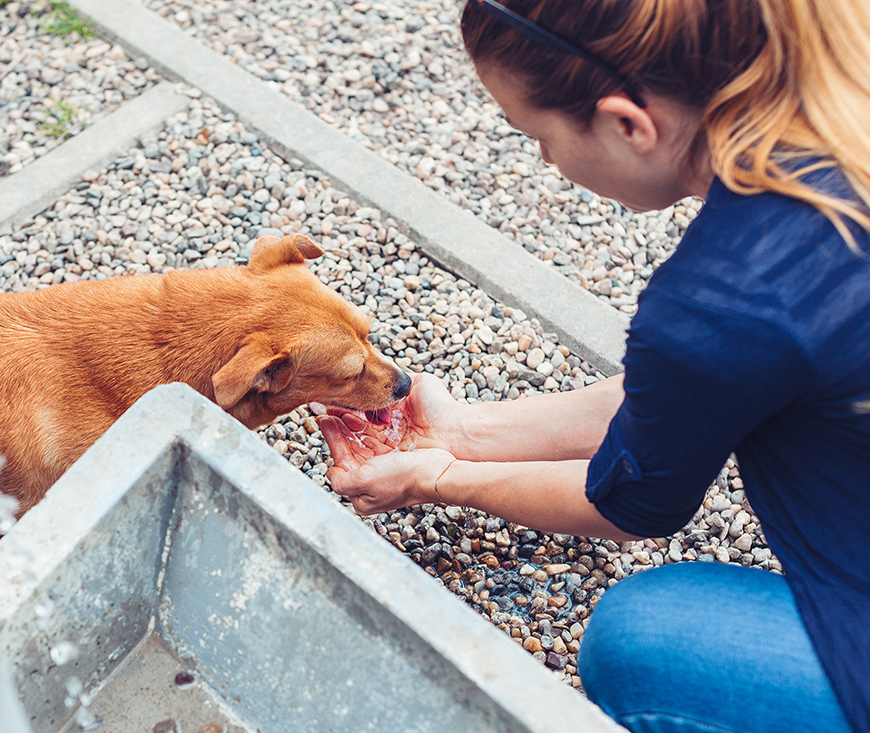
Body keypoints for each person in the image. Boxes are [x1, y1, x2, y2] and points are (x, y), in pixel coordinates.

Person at [315, 1, 870, 731]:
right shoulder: (842, 110)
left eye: (536, 137)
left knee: (643, 640)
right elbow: (699, 389)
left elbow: (633, 504)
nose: (545, 161)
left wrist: (436, 477)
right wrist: (464, 431)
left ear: (628, 124)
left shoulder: (728, 293)